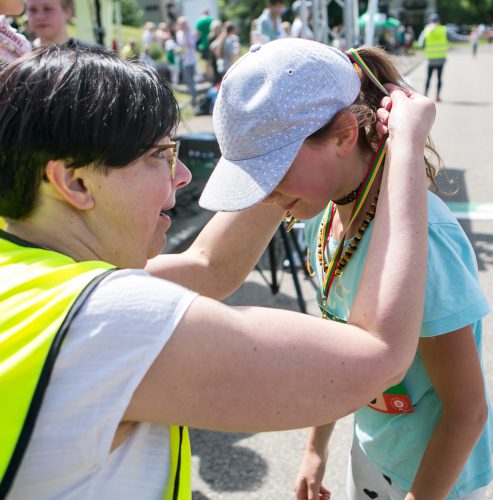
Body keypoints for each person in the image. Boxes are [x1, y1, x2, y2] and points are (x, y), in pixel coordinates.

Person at [0, 44, 434, 498]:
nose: (183, 175)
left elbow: (210, 266)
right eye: (159, 155)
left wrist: (279, 132)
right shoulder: (110, 319)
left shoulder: (32, 272)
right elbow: (376, 356)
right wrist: (404, 146)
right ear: (74, 182)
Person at [198, 38, 493, 500]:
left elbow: (467, 411)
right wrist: (315, 450)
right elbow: (337, 340)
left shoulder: (426, 243)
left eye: (273, 172)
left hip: (435, 480)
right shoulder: (319, 212)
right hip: (374, 455)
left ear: (343, 134)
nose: (262, 196)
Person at [25, 0, 99, 48]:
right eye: (32, 10)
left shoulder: (92, 54)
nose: (39, 16)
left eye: (47, 9)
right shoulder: (21, 54)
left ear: (68, 11)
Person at [418, 13, 448, 102]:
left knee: (428, 78)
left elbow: (420, 44)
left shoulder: (426, 30)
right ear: (438, 21)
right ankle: (438, 96)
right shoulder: (443, 29)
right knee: (439, 78)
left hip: (431, 60)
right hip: (441, 59)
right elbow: (454, 37)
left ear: (430, 21)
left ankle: (425, 95)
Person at [176, 16, 198, 107]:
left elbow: (192, 45)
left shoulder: (190, 34)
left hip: (191, 60)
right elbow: (180, 45)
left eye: (184, 24)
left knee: (191, 80)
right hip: (184, 59)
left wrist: (187, 34)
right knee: (187, 80)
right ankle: (192, 97)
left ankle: (194, 99)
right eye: (181, 24)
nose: (182, 26)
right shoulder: (178, 34)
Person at [195, 7, 213, 80]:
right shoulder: (211, 20)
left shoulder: (199, 21)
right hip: (211, 43)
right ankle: (211, 75)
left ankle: (207, 75)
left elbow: (197, 34)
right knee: (211, 60)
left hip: (204, 43)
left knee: (206, 61)